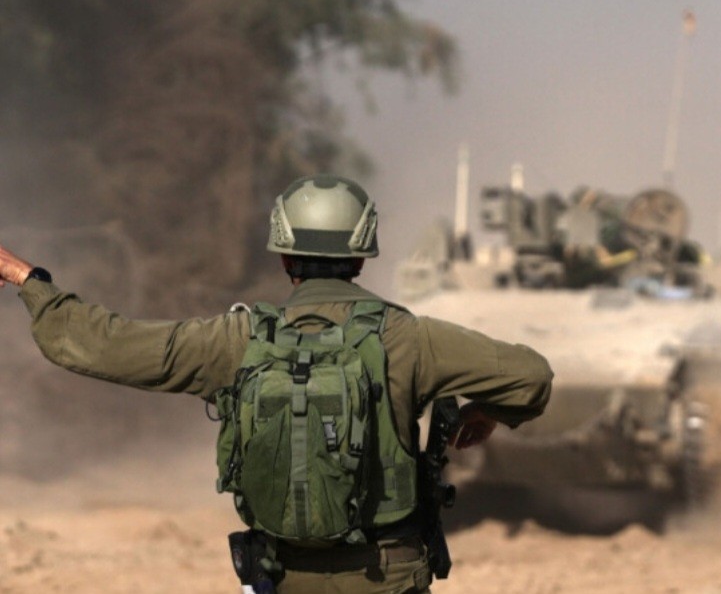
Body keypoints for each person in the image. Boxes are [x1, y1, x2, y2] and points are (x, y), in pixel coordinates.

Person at [0, 173, 553, 594]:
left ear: (285, 255)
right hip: (387, 577)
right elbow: (531, 377)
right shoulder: (408, 338)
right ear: (361, 258)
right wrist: (488, 412)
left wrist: (31, 281)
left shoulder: (236, 339)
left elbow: (98, 344)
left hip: (283, 576)